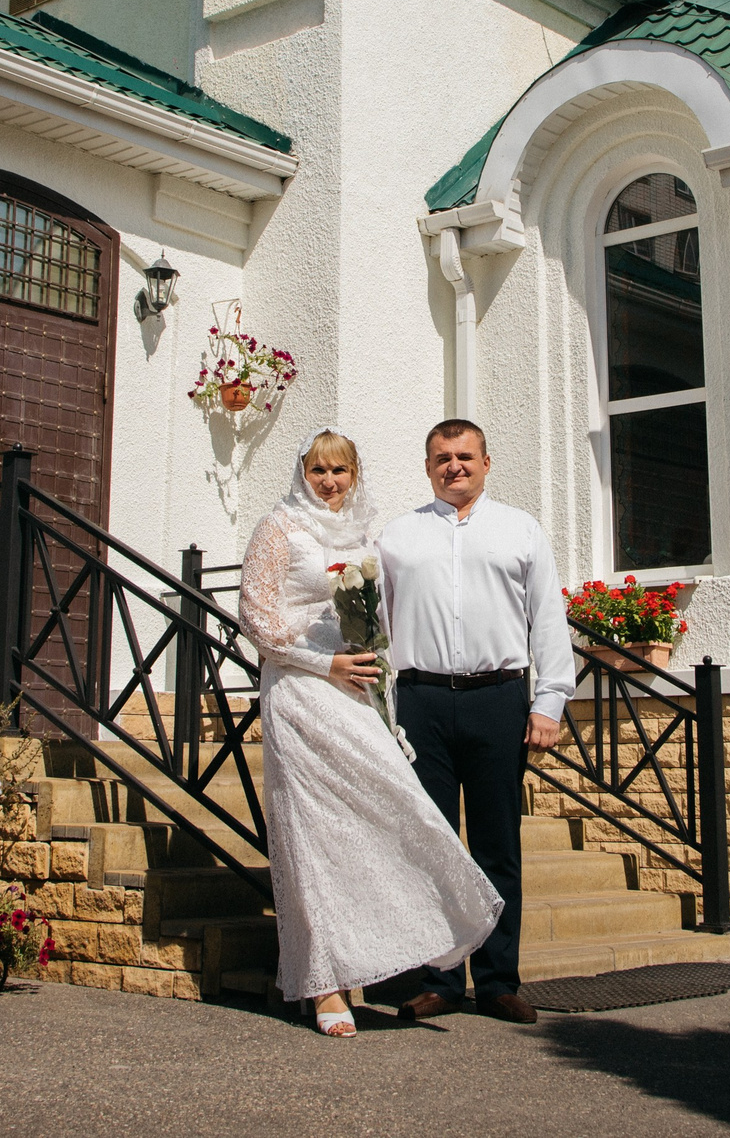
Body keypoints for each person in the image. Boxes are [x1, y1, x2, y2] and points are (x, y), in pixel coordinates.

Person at [238, 428, 502, 1036]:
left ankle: (410, 937)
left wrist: (380, 683)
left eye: (341, 471)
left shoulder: (363, 534)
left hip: (355, 691)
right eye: (318, 471)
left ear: (355, 475)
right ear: (302, 473)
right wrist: (322, 662)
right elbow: (255, 616)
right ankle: (326, 985)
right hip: (300, 690)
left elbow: (377, 616)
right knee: (310, 834)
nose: (330, 482)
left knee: (385, 813)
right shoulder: (278, 527)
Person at [377, 418, 575, 1025]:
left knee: (497, 844)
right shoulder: (397, 538)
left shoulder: (521, 530)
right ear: (427, 466)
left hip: (498, 701)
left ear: (486, 463)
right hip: (422, 702)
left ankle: (496, 981)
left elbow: (547, 620)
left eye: (465, 456)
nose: (453, 466)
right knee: (434, 846)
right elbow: (376, 625)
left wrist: (549, 702)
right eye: (442, 457)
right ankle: (440, 979)